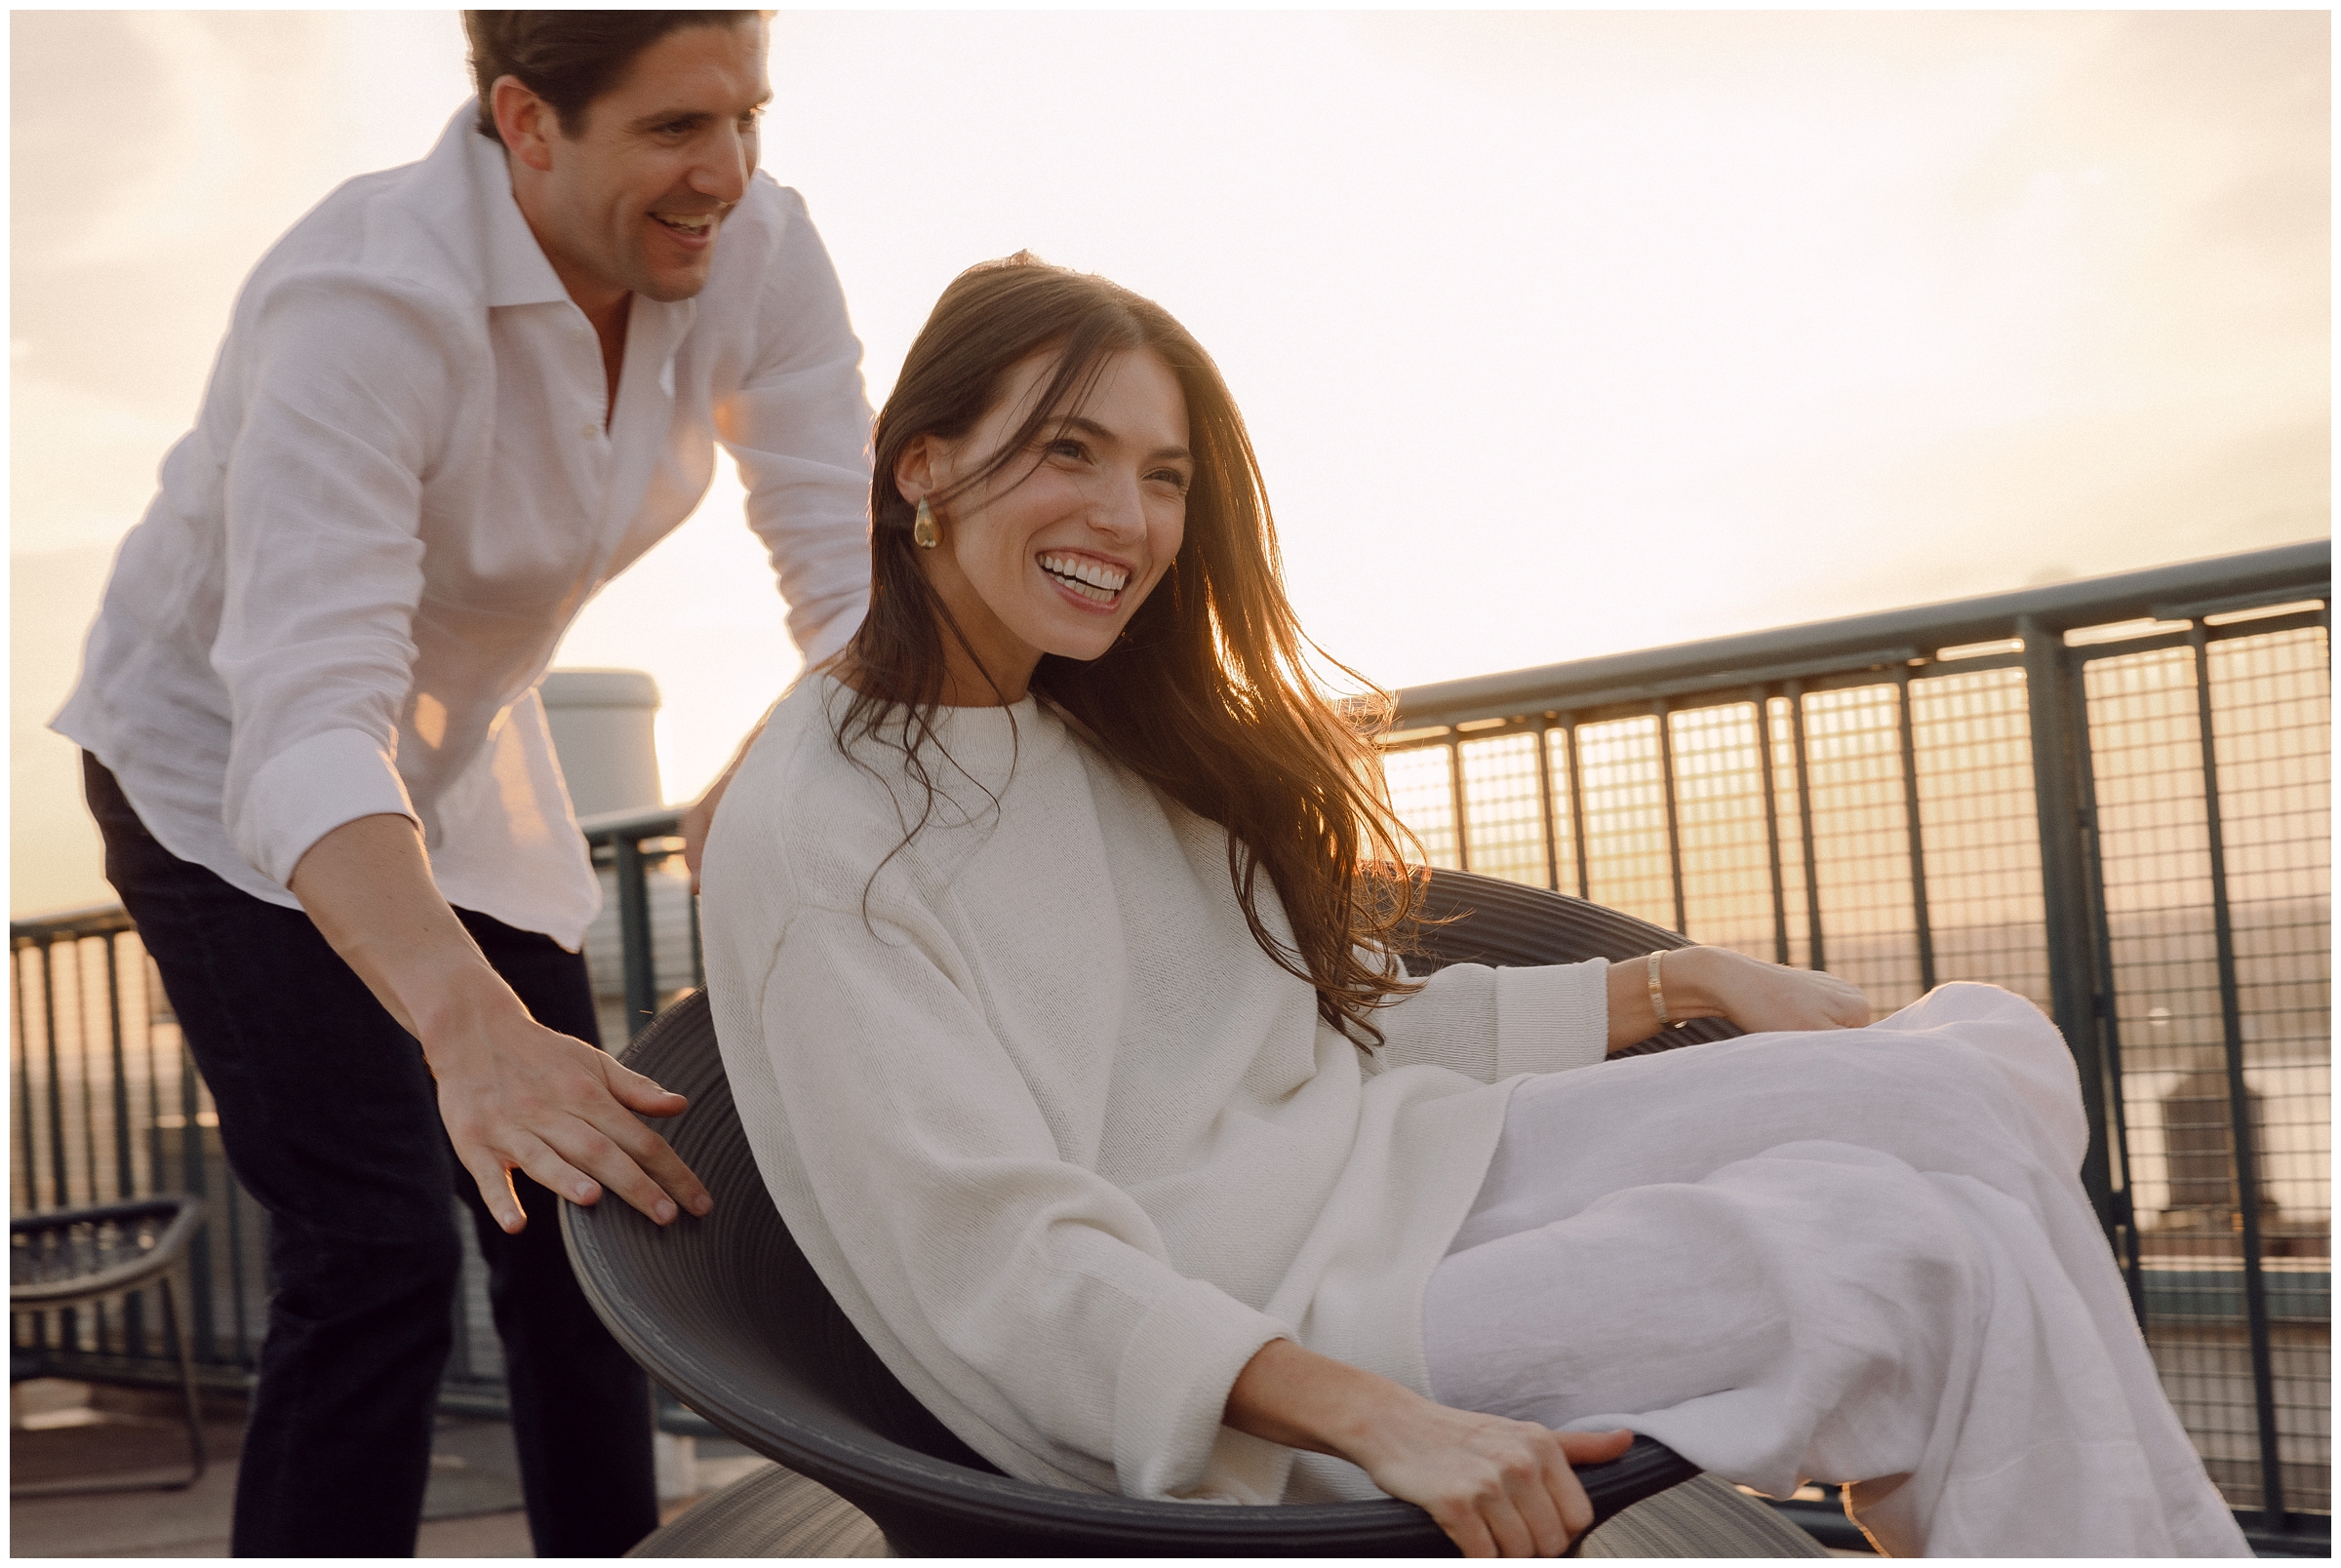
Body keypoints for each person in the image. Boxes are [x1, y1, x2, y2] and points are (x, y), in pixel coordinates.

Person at [697, 254, 2251, 1558]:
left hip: (1391, 1179)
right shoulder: (826, 836)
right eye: (1068, 451)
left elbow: (1311, 1029)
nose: (1129, 518)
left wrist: (1680, 985)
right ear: (921, 466)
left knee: (1976, 1067)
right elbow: (1003, 1271)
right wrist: (1381, 1416)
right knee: (1914, 1252)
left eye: (1163, 476)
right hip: (1255, 1351)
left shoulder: (1075, 724)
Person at [52, 11, 873, 1557]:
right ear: (529, 120)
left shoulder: (760, 250)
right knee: (371, 1261)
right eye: (678, 129)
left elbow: (852, 585)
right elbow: (302, 719)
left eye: (751, 117)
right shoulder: (364, 306)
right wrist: (466, 1030)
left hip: (466, 770)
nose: (731, 172)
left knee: (591, 1224)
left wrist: (774, 749)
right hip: (219, 773)